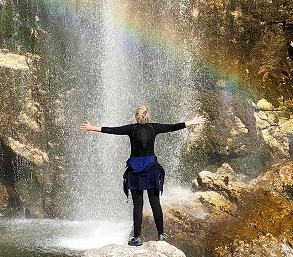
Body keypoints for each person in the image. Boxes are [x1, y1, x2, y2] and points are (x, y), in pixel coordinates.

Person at [79, 105, 207, 246]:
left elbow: (112, 130)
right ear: (148, 116)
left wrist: (92, 127)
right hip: (151, 171)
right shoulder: (154, 128)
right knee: (155, 203)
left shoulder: (131, 129)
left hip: (135, 172)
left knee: (137, 206)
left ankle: (137, 237)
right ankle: (161, 234)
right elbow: (173, 127)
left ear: (136, 116)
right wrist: (192, 121)